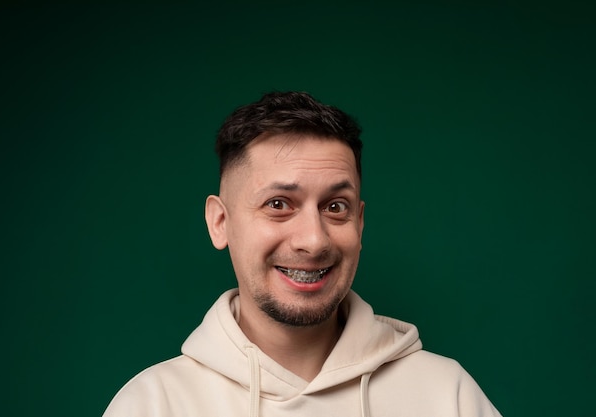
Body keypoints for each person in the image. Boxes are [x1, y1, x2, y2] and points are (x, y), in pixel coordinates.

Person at [103, 92, 502, 417]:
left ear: (359, 225)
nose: (313, 241)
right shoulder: (152, 405)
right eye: (279, 204)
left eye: (335, 207)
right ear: (220, 222)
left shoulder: (448, 397)